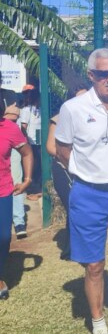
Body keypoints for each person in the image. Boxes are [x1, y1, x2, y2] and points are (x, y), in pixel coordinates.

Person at [54, 49, 108, 334]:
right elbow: (62, 149)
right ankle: (99, 326)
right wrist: (84, 173)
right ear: (91, 76)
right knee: (93, 265)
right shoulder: (73, 109)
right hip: (88, 194)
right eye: (103, 74)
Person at [47, 86, 88, 260]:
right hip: (64, 169)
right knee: (73, 205)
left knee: (82, 207)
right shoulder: (58, 119)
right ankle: (71, 249)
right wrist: (69, 159)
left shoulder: (93, 118)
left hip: (86, 170)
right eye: (79, 97)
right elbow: (50, 147)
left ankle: (79, 246)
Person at [0, 101, 33, 300]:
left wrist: (28, 179)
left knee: (3, 237)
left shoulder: (9, 128)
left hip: (3, 191)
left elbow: (27, 152)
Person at [4, 105, 27, 238]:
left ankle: (19, 222)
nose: (10, 122)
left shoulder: (15, 128)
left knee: (16, 183)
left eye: (14, 120)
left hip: (15, 150)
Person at [19, 84, 42, 200]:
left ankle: (38, 188)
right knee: (33, 165)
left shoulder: (39, 109)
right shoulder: (26, 109)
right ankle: (32, 189)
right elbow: (23, 127)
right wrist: (26, 140)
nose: (29, 96)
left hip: (39, 140)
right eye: (26, 93)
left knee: (39, 165)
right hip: (30, 141)